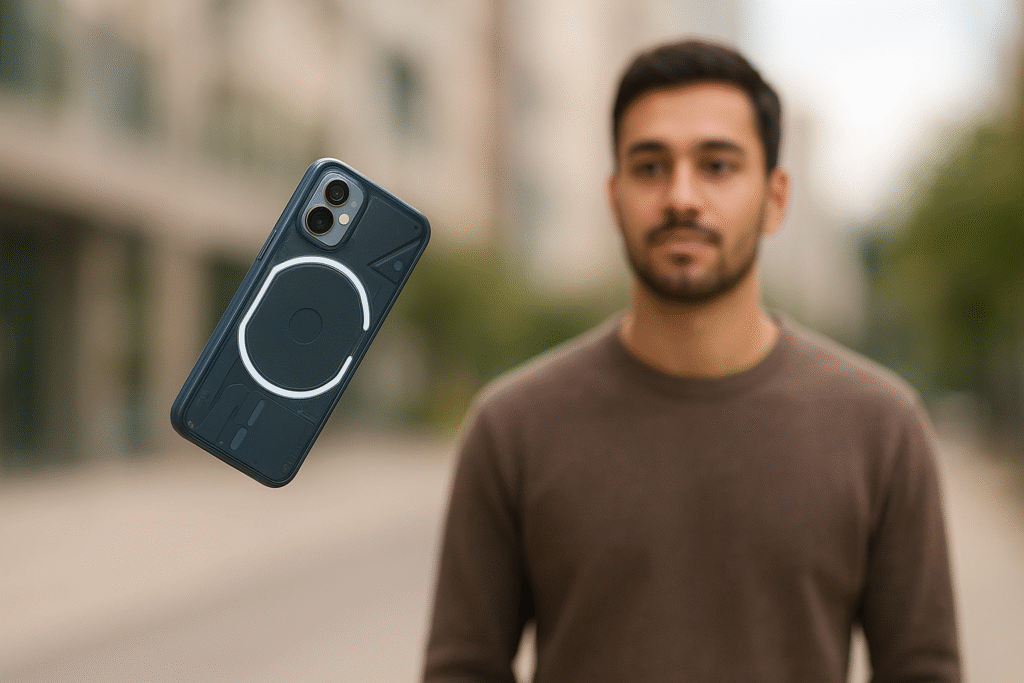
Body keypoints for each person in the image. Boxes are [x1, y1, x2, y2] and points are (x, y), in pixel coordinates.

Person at [422, 39, 961, 682]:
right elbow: (463, 670)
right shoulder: (510, 428)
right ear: (613, 195)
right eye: (650, 167)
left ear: (776, 196)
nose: (682, 196)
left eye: (718, 165)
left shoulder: (883, 428)